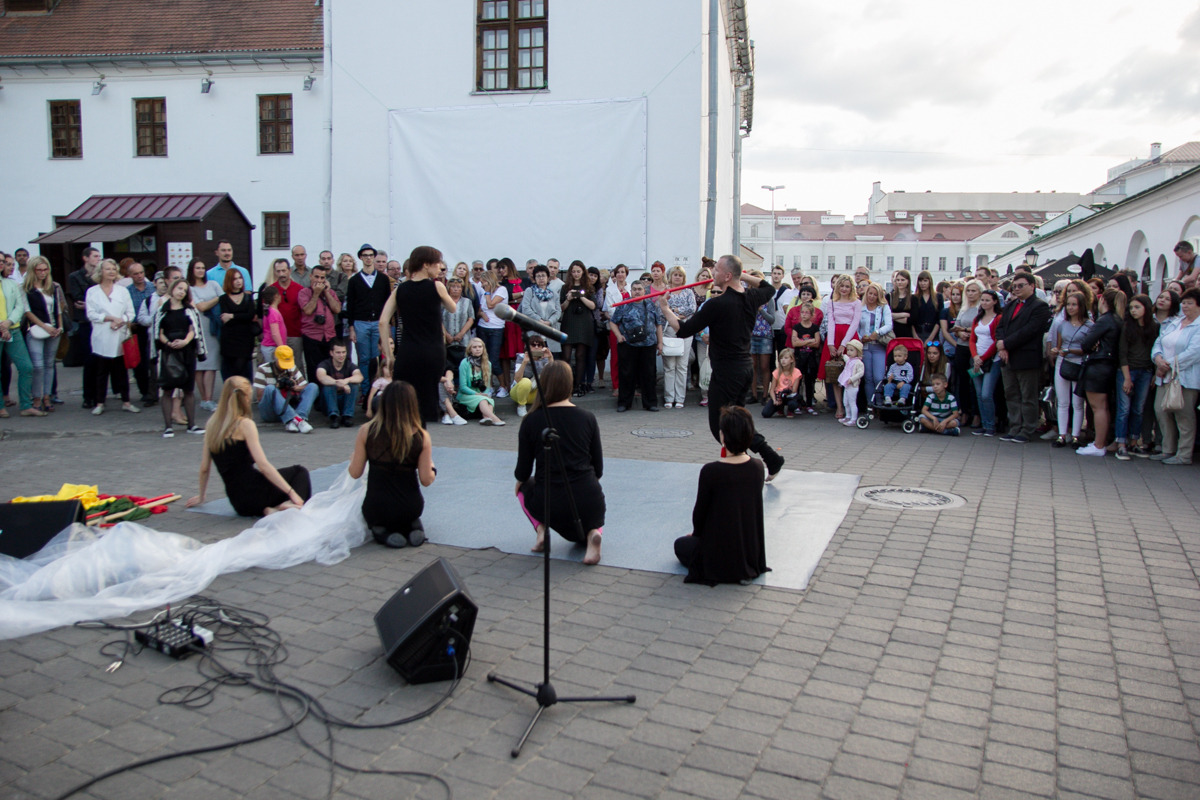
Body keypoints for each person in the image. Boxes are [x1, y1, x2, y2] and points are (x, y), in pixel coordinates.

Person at [659, 254, 785, 479]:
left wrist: (665, 308)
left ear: (727, 276)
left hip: (728, 372)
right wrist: (738, 275)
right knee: (736, 421)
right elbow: (768, 287)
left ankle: (755, 459)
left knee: (721, 426)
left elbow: (684, 330)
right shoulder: (751, 297)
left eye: (716, 270)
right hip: (743, 369)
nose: (711, 273)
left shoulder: (716, 304)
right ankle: (753, 461)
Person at [514, 361, 605, 565]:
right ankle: (593, 535)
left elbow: (522, 471)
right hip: (589, 501)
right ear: (570, 384)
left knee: (523, 486)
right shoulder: (588, 418)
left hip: (550, 502)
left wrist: (521, 481)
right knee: (592, 503)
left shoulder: (531, 420)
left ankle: (541, 532)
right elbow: (598, 468)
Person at [186, 377, 311, 517]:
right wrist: (291, 493)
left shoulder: (211, 425)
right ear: (245, 398)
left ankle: (269, 510)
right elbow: (263, 466)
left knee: (272, 481)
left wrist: (201, 496)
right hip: (256, 492)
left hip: (238, 502)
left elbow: (204, 468)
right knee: (299, 472)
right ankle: (288, 504)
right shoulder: (245, 424)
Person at [673, 406, 767, 586]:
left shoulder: (711, 471)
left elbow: (700, 514)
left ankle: (725, 567)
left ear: (723, 436)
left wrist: (696, 534)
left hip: (718, 551)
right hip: (749, 551)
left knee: (680, 545)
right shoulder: (757, 466)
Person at [348, 381, 435, 548]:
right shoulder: (421, 436)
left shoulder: (367, 431)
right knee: (409, 514)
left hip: (377, 506)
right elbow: (426, 480)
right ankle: (413, 527)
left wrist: (353, 459)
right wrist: (432, 467)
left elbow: (355, 473)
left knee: (377, 519)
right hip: (410, 505)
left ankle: (383, 533)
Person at [379, 246, 458, 423]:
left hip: (408, 351)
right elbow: (452, 307)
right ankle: (421, 442)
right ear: (425, 265)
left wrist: (389, 355)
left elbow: (383, 322)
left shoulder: (400, 289)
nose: (440, 267)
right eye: (437, 263)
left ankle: (405, 443)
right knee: (426, 400)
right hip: (433, 352)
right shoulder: (437, 286)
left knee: (404, 400)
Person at [996, 273, 1051, 444]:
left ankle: (1027, 429)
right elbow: (1001, 327)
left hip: (1026, 357)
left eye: (1021, 285)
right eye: (1015, 286)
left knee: (1028, 395)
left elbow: (1030, 331)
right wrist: (1000, 343)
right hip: (1008, 357)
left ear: (1032, 286)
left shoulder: (1040, 306)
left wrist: (1005, 344)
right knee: (1011, 394)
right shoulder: (1011, 305)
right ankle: (1014, 427)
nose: (1017, 289)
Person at [150, 277, 206, 437]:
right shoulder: (162, 310)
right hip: (169, 353)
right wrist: (169, 343)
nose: (181, 292)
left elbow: (193, 330)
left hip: (187, 352)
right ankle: (168, 426)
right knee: (168, 389)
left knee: (188, 389)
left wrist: (185, 342)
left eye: (184, 290)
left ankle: (192, 424)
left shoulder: (190, 310)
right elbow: (158, 333)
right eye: (179, 288)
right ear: (172, 289)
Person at [1151, 287, 1200, 464]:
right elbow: (1159, 342)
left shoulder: (1198, 325)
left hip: (1185, 377)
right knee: (1161, 409)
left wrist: (1168, 365)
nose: (1185, 307)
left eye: (1189, 303)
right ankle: (1168, 448)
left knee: (1183, 414)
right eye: (1184, 303)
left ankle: (1184, 454)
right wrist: (1158, 359)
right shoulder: (1175, 322)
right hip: (1164, 375)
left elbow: (1194, 352)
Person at [86, 259, 140, 416]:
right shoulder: (92, 291)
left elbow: (131, 312)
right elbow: (91, 314)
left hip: (119, 334)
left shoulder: (122, 291)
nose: (111, 271)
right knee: (101, 371)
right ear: (100, 272)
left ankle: (126, 402)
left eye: (113, 269)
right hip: (102, 334)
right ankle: (100, 402)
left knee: (121, 371)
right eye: (107, 269)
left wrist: (120, 321)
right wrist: (109, 318)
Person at [1075, 289, 1124, 457]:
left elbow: (1086, 343)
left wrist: (1092, 345)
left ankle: (1098, 444)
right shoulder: (1117, 319)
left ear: (1103, 302)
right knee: (1102, 407)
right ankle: (1100, 442)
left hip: (1098, 365)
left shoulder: (1105, 320)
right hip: (1108, 365)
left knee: (1098, 407)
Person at [1114, 294, 1159, 460]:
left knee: (1138, 409)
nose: (1133, 311)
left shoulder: (1153, 327)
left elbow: (1155, 350)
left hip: (1146, 371)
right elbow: (1123, 354)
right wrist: (1127, 377)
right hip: (1128, 370)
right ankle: (1121, 444)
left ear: (1146, 308)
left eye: (1137, 307)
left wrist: (1154, 373)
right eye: (1131, 307)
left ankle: (1134, 442)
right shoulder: (1127, 327)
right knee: (1124, 409)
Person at [346, 244, 392, 401]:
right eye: (365, 255)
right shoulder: (354, 281)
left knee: (377, 358)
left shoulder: (383, 279)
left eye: (370, 255)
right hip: (361, 323)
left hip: (378, 323)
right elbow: (350, 305)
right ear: (360, 258)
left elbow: (387, 302)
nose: (368, 258)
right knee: (364, 358)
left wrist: (387, 324)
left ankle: (378, 388)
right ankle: (365, 392)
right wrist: (351, 327)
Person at [21, 256, 66, 415]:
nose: (42, 273)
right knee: (37, 366)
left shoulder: (52, 287)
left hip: (53, 329)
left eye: (45, 269)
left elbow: (58, 309)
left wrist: (59, 327)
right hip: (36, 330)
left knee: (49, 364)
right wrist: (45, 327)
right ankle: (36, 397)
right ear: (33, 271)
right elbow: (27, 312)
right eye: (39, 270)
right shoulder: (26, 288)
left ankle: (47, 396)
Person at [611, 280, 664, 412]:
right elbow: (613, 322)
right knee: (626, 374)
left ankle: (650, 403)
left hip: (648, 344)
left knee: (649, 375)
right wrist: (618, 336)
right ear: (631, 291)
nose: (637, 291)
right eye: (634, 289)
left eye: (639, 289)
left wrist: (660, 342)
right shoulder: (624, 305)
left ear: (644, 290)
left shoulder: (651, 305)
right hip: (628, 344)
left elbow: (658, 325)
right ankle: (624, 403)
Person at [1048, 292, 1092, 448]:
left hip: (1079, 363)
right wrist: (1056, 351)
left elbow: (1089, 348)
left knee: (1077, 402)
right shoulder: (1062, 324)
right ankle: (1062, 434)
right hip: (1063, 362)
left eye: (1074, 304)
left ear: (1081, 306)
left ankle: (1076, 435)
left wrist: (1071, 351)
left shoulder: (1089, 325)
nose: (1071, 308)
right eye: (1068, 304)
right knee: (1062, 401)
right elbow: (1059, 346)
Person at [819, 275, 863, 419]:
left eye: (847, 286)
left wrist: (844, 344)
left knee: (851, 373)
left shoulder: (856, 303)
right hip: (834, 337)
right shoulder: (832, 302)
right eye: (842, 286)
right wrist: (831, 344)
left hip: (850, 338)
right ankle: (839, 407)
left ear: (851, 288)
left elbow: (855, 323)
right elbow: (830, 322)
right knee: (835, 373)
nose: (844, 289)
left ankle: (851, 406)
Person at [0, 264, 38, 418]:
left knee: (26, 367)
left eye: (2, 261)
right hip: (4, 329)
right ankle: (0, 407)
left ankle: (26, 405)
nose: (1, 263)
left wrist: (8, 323)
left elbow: (19, 306)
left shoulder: (11, 283)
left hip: (13, 329)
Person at [253, 345, 318, 433]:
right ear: (275, 358)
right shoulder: (263, 369)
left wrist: (296, 387)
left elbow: (305, 386)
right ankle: (296, 420)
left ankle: (298, 418)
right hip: (271, 411)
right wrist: (278, 386)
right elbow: (260, 398)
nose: (285, 367)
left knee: (313, 387)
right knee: (270, 388)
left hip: (290, 405)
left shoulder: (291, 368)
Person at [187, 258, 223, 412]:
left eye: (202, 267)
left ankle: (209, 398)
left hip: (213, 328)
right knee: (199, 366)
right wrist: (216, 299)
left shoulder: (213, 284)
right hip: (197, 327)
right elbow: (201, 306)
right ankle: (203, 398)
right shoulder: (190, 288)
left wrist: (215, 300)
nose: (201, 270)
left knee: (211, 364)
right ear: (192, 270)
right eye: (197, 268)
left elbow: (225, 299)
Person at [297, 264, 342, 386]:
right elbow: (307, 310)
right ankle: (316, 401)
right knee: (314, 370)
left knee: (330, 369)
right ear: (311, 276)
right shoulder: (304, 292)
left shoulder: (330, 292)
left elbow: (337, 309)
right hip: (312, 336)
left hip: (329, 336)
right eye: (316, 277)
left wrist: (326, 292)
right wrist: (316, 294)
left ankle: (328, 399)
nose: (319, 280)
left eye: (322, 278)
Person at [68, 247, 101, 408]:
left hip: (99, 322)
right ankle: (88, 396)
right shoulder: (75, 277)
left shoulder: (99, 277)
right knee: (88, 359)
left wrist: (89, 303)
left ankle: (99, 395)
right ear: (85, 258)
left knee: (100, 359)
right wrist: (92, 302)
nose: (98, 259)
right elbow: (78, 298)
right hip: (84, 322)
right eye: (95, 256)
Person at [560, 260, 597, 397]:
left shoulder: (588, 287)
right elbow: (561, 308)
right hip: (569, 321)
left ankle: (579, 385)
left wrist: (581, 296)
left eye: (578, 271)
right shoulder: (565, 287)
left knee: (581, 355)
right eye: (573, 271)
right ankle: (566, 384)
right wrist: (569, 298)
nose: (576, 274)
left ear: (583, 272)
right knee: (566, 355)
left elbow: (593, 306)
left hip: (584, 323)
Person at [969, 289, 1003, 437]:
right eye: (982, 300)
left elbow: (996, 341)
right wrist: (976, 356)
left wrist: (983, 358)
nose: (984, 303)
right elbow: (972, 339)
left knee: (986, 394)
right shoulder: (977, 318)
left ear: (995, 301)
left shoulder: (998, 318)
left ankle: (990, 425)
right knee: (978, 394)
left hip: (991, 360)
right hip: (976, 359)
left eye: (987, 300)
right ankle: (984, 424)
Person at [662, 266, 697, 409]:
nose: (677, 277)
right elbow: (662, 308)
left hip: (686, 329)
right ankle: (669, 397)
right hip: (669, 330)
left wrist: (675, 311)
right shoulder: (666, 292)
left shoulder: (689, 291)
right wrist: (676, 314)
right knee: (670, 365)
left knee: (682, 365)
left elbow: (692, 308)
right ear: (670, 277)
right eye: (675, 275)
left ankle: (680, 398)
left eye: (680, 275)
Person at [123, 261, 157, 406]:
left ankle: (153, 390)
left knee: (152, 360)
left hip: (151, 326)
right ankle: (144, 391)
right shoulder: (128, 291)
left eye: (141, 272)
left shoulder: (152, 288)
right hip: (136, 328)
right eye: (136, 274)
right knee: (139, 362)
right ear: (130, 275)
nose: (139, 276)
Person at [217, 268, 257, 382]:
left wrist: (232, 316)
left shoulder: (248, 297)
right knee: (231, 369)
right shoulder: (223, 299)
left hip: (245, 338)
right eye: (235, 279)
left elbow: (250, 315)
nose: (238, 281)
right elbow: (224, 317)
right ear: (229, 281)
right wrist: (239, 316)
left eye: (240, 278)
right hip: (229, 340)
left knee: (243, 368)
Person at [457, 337, 506, 425]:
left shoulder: (488, 364)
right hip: (466, 394)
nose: (478, 349)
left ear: (483, 349)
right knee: (483, 399)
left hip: (480, 394)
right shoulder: (465, 363)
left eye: (480, 347)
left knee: (488, 399)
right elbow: (463, 387)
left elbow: (487, 385)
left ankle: (486, 418)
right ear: (470, 349)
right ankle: (495, 419)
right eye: (474, 347)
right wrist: (477, 394)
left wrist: (485, 393)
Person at [316, 339, 363, 429]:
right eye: (338, 352)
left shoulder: (349, 365)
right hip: (328, 402)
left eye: (343, 352)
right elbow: (321, 376)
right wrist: (338, 383)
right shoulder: (325, 364)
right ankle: (334, 417)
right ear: (331, 353)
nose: (341, 355)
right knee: (328, 386)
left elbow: (359, 376)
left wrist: (347, 381)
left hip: (343, 400)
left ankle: (347, 416)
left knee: (354, 385)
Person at [858, 282, 893, 401]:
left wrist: (877, 333)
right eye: (870, 293)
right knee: (868, 378)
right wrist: (860, 337)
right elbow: (857, 326)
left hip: (879, 346)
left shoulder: (883, 308)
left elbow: (889, 325)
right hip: (865, 346)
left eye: (875, 294)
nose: (872, 296)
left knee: (878, 377)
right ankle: (870, 404)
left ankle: (879, 401)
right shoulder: (861, 308)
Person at [517, 265, 562, 355]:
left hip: (550, 330)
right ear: (534, 278)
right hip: (534, 329)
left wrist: (549, 321)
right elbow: (526, 309)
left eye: (543, 275)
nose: (541, 278)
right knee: (535, 358)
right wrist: (539, 320)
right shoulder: (529, 291)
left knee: (551, 360)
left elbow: (558, 311)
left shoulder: (554, 294)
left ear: (548, 277)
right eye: (538, 276)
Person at [789, 299, 821, 415]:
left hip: (811, 358)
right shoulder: (797, 327)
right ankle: (797, 403)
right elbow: (795, 343)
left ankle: (809, 404)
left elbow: (817, 343)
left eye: (807, 312)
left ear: (812, 314)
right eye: (802, 312)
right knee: (798, 381)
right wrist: (809, 341)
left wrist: (802, 341)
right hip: (799, 358)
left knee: (809, 381)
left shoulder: (814, 328)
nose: (804, 314)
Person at [747, 270, 775, 404]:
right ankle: (753, 394)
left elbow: (772, 319)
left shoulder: (769, 299)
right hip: (751, 335)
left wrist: (760, 309)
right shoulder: (748, 297)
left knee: (764, 366)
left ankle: (765, 394)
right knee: (752, 366)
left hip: (765, 336)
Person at [512, 335, 553, 418]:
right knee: (525, 381)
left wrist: (550, 358)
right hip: (519, 392)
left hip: (536, 394)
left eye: (539, 345)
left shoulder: (545, 358)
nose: (536, 347)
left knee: (547, 378)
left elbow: (553, 376)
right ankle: (521, 406)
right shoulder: (521, 357)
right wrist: (524, 362)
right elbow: (517, 379)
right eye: (533, 345)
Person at [443, 277, 476, 367]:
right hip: (447, 340)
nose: (456, 289)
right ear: (449, 288)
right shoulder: (443, 302)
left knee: (463, 364)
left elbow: (471, 318)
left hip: (463, 339)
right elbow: (438, 320)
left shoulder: (467, 302)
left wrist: (461, 334)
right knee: (447, 365)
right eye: (453, 287)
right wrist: (447, 335)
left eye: (458, 287)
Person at [762, 348, 801, 418]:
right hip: (778, 395)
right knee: (765, 413)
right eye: (781, 358)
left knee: (793, 403)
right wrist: (774, 400)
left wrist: (785, 393)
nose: (783, 360)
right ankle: (780, 408)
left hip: (789, 395)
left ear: (792, 360)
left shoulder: (796, 372)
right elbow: (772, 389)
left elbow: (794, 390)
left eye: (786, 358)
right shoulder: (776, 372)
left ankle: (790, 410)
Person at [837, 340, 865, 427]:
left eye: (852, 350)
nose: (849, 352)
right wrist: (841, 353)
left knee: (852, 402)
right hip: (846, 385)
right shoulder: (849, 360)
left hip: (852, 385)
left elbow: (860, 373)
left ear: (858, 352)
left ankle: (854, 419)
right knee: (846, 401)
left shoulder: (858, 363)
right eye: (848, 350)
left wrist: (852, 379)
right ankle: (848, 416)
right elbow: (845, 357)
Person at [259, 285, 287, 366]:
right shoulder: (273, 312)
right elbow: (275, 333)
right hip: (272, 347)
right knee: (274, 369)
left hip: (271, 346)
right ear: (276, 296)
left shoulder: (269, 310)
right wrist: (281, 347)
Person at [888, 269, 914, 339]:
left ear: (908, 281)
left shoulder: (913, 298)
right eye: (898, 280)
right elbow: (886, 315)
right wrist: (903, 315)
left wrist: (893, 317)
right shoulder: (889, 296)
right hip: (892, 334)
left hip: (907, 334)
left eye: (902, 280)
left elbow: (911, 320)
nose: (900, 282)